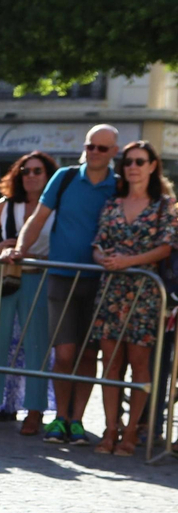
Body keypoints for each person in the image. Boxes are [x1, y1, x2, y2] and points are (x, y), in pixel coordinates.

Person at [3, 123, 120, 445]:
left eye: (101, 148)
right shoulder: (64, 177)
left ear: (114, 152)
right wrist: (19, 249)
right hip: (61, 278)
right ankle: (60, 418)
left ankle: (77, 420)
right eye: (89, 146)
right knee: (64, 354)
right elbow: (37, 218)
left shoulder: (119, 185)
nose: (93, 152)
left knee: (88, 356)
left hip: (102, 283)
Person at [87, 142, 175, 456]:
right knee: (110, 364)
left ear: (152, 166)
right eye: (128, 162)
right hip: (111, 291)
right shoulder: (112, 204)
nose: (132, 167)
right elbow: (98, 243)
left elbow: (166, 247)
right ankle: (111, 428)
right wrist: (102, 258)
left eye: (139, 161)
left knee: (139, 364)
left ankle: (132, 431)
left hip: (145, 292)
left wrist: (129, 261)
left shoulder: (165, 205)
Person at [0, 151, 57, 433]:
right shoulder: (6, 204)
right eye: (25, 171)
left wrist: (45, 257)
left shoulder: (57, 207)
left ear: (49, 176)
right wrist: (1, 248)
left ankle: (34, 413)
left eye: (37, 171)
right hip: (4, 278)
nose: (30, 176)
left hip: (40, 279)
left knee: (37, 347)